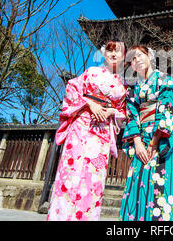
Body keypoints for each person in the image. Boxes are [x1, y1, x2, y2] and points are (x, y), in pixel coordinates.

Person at [47, 41, 128, 221]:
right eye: (110, 51)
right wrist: (88, 103)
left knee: (94, 177)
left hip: (102, 133)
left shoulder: (123, 85)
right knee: (70, 171)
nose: (113, 54)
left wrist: (111, 111)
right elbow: (72, 88)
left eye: (118, 52)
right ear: (104, 54)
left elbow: (124, 111)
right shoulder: (91, 72)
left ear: (124, 57)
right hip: (81, 127)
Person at [119, 45, 173, 221]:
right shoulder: (133, 89)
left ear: (150, 56)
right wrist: (137, 142)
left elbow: (170, 107)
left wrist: (155, 140)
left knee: (161, 187)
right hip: (141, 140)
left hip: (163, 139)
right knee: (137, 185)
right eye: (133, 59)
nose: (137, 60)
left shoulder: (165, 80)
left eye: (140, 55)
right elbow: (131, 114)